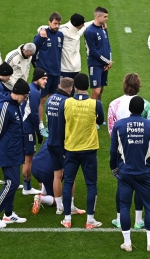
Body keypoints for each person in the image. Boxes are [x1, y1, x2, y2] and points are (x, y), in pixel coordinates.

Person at [110, 96, 150, 252]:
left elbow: (113, 150)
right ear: (143, 110)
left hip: (125, 173)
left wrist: (113, 167)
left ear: (130, 109)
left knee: (124, 206)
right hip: (144, 173)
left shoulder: (119, 125)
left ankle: (127, 243)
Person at [32, 77, 85, 215]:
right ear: (71, 88)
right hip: (64, 144)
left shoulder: (51, 99)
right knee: (69, 176)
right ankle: (71, 206)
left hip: (51, 142)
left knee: (57, 175)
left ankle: (59, 207)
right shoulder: (67, 102)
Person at [107, 73, 150, 229]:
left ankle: (120, 218)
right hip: (141, 152)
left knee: (123, 185)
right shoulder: (146, 104)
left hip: (122, 152)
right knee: (141, 184)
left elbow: (111, 130)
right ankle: (139, 219)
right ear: (138, 85)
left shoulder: (114, 104)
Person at [0, 78, 30, 228]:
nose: (26, 99)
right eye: (26, 96)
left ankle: (8, 214)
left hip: (14, 150)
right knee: (12, 182)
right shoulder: (5, 107)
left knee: (14, 183)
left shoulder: (14, 105)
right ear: (20, 94)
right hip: (7, 150)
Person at [61, 73, 104, 229]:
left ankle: (67, 219)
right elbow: (100, 120)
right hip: (89, 149)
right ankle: (90, 220)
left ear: (75, 87)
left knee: (68, 182)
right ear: (87, 86)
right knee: (91, 184)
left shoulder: (66, 103)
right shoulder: (95, 104)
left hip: (71, 148)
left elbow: (61, 122)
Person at [38, 13, 92, 80]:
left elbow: (87, 25)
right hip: (64, 69)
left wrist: (99, 22)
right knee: (62, 89)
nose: (83, 26)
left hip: (76, 69)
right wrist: (41, 29)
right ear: (76, 25)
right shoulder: (63, 30)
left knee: (72, 90)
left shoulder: (79, 30)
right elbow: (48, 28)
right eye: (82, 24)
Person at [32, 12, 64, 124]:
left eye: (59, 24)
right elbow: (33, 52)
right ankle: (40, 124)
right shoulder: (41, 36)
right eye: (55, 23)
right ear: (49, 22)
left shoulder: (60, 35)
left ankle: (50, 123)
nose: (57, 26)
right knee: (42, 99)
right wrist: (38, 69)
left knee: (52, 100)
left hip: (56, 73)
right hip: (44, 74)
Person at [20, 68, 47, 195]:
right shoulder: (35, 93)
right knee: (28, 159)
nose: (45, 81)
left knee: (26, 158)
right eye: (43, 78)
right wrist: (38, 132)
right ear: (36, 78)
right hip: (27, 129)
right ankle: (27, 187)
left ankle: (27, 185)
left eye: (46, 79)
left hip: (24, 127)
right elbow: (35, 114)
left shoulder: (31, 88)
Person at [84, 7, 113, 102]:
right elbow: (93, 51)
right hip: (95, 64)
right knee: (96, 91)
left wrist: (108, 61)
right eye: (105, 17)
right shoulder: (89, 31)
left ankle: (98, 111)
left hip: (104, 64)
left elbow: (107, 45)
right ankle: (89, 112)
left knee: (101, 90)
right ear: (98, 16)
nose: (106, 19)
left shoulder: (103, 28)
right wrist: (107, 61)